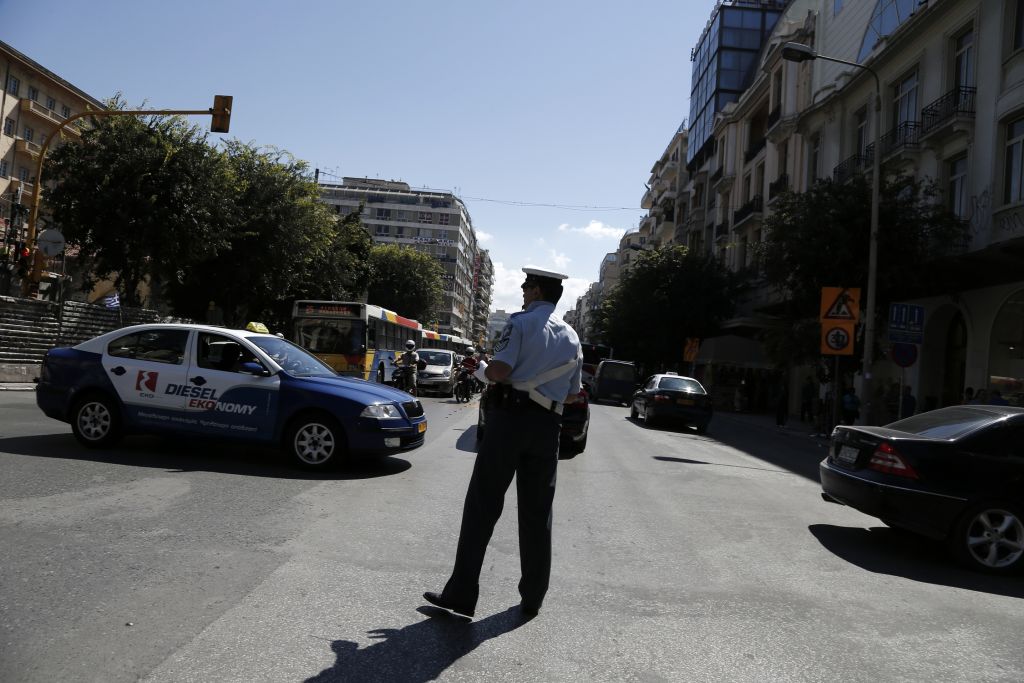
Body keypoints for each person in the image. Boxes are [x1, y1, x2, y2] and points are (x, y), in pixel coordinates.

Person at [424, 267, 583, 620]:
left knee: (482, 506)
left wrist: (482, 369)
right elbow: (573, 394)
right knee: (538, 513)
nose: (523, 290)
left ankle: (461, 593)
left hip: (510, 421)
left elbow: (499, 371)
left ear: (537, 291)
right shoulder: (572, 336)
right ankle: (533, 598)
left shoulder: (520, 323)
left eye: (527, 285)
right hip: (548, 427)